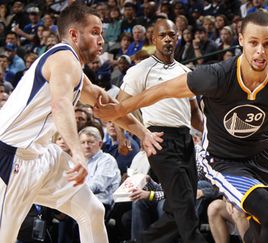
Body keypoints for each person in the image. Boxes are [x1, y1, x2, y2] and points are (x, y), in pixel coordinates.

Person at [96, 10, 268, 243]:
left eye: (267, 43)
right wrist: (120, 109)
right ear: (241, 40)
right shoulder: (216, 75)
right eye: (253, 43)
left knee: (262, 227)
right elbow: (163, 90)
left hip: (264, 154)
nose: (260, 51)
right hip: (224, 160)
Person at [0, 2, 162, 242]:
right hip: (11, 156)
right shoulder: (63, 58)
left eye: (102, 34)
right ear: (74, 35)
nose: (102, 40)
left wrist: (142, 133)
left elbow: (108, 107)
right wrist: (77, 153)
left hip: (42, 155)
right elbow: (61, 105)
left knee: (92, 211)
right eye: (95, 32)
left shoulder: (76, 72)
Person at [115, 18, 205, 243]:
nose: (167, 39)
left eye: (172, 35)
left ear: (178, 37)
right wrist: (127, 136)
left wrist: (208, 135)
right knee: (184, 204)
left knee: (179, 208)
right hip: (159, 138)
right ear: (153, 39)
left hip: (186, 140)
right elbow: (119, 107)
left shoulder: (186, 71)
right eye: (163, 35)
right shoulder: (141, 70)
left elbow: (195, 114)